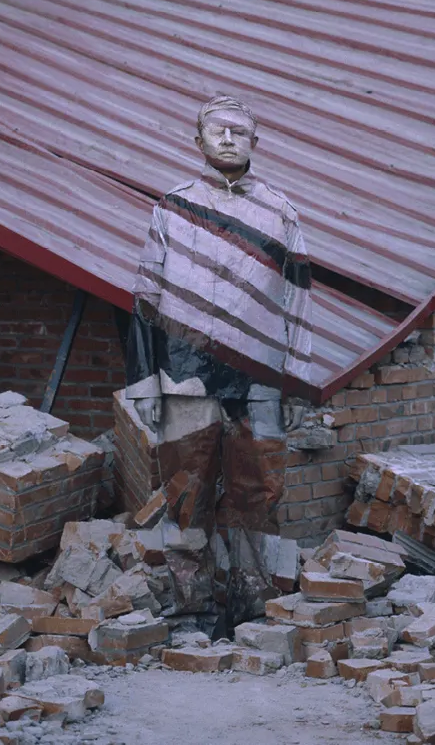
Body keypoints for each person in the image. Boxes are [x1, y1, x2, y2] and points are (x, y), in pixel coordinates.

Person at [125, 94, 313, 538]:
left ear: (256, 142)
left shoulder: (281, 214)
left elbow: (299, 302)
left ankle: (252, 601)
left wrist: (299, 385)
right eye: (217, 130)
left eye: (240, 131)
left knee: (259, 495)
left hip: (258, 383)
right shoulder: (172, 208)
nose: (229, 139)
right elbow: (145, 298)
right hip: (185, 378)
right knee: (185, 495)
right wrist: (144, 383)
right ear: (198, 140)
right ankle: (193, 606)